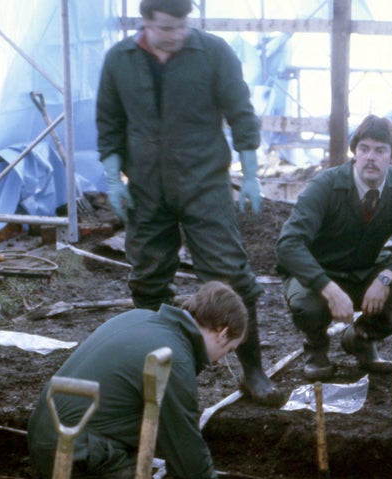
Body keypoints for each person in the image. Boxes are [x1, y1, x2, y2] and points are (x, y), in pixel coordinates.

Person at [95, 0, 283, 407]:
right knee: (147, 279)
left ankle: (253, 372)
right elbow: (109, 123)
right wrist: (114, 179)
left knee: (231, 274)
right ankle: (156, 371)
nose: (177, 34)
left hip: (205, 185)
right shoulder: (119, 60)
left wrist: (250, 173)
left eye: (182, 25)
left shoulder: (214, 53)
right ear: (146, 22)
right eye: (167, 28)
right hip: (146, 187)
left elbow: (241, 113)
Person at [28, 281, 248, 479]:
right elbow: (185, 454)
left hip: (44, 433)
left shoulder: (139, 317)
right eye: (228, 350)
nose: (218, 361)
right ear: (222, 333)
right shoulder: (173, 359)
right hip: (75, 456)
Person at [276, 115, 392, 381]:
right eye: (364, 148)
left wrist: (386, 277)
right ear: (354, 152)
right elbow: (289, 243)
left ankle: (361, 338)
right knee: (308, 307)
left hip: (368, 271)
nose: (370, 157)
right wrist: (328, 288)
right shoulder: (326, 185)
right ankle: (316, 348)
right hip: (319, 273)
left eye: (380, 150)